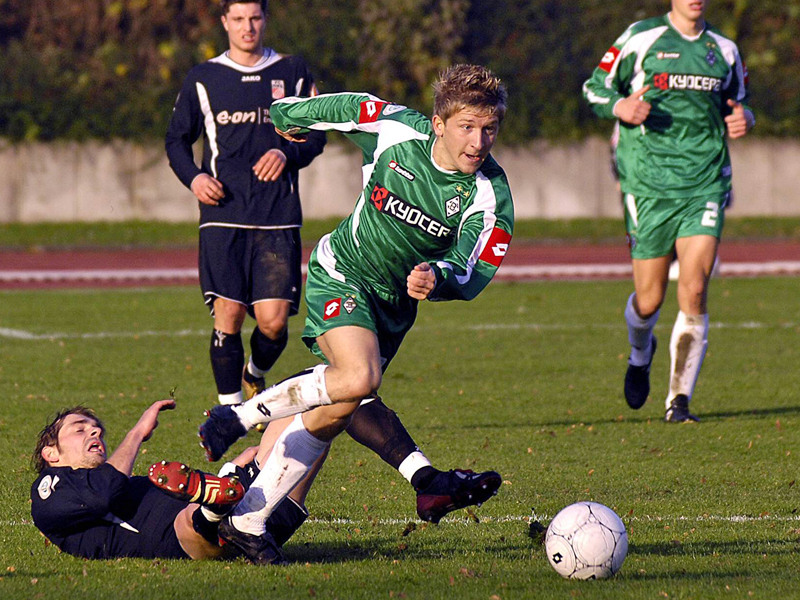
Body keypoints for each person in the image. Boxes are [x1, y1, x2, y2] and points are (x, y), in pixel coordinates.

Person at [198, 63, 514, 563]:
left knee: (333, 411)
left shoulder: (489, 195)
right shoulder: (395, 131)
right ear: (439, 123)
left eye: (489, 128)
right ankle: (236, 416)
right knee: (359, 377)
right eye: (467, 127)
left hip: (390, 312)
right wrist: (291, 113)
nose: (478, 141)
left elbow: (472, 268)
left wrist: (438, 275)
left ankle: (250, 520)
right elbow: (346, 107)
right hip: (341, 272)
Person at [582, 0, 754, 422]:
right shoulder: (641, 38)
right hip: (648, 185)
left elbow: (739, 105)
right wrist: (619, 106)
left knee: (694, 288)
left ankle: (679, 401)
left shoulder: (724, 50)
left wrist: (745, 118)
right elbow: (594, 88)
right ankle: (640, 352)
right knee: (649, 298)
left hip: (705, 182)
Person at [165, 0, 326, 406]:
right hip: (222, 216)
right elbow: (176, 141)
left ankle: (255, 373)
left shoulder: (292, 72)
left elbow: (317, 134)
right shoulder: (204, 78)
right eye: (238, 19)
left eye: (254, 18)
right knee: (229, 316)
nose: (247, 27)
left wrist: (287, 154)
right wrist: (195, 177)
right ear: (225, 22)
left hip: (277, 216)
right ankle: (230, 413)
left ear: (265, 20)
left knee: (273, 325)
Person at [31, 400, 323, 564]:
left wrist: (234, 468)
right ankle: (214, 506)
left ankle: (221, 496)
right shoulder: (50, 490)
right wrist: (136, 433)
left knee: (312, 406)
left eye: (96, 429)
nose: (94, 434)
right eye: (79, 430)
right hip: (191, 538)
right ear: (50, 453)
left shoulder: (117, 481)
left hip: (257, 516)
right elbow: (104, 494)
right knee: (187, 518)